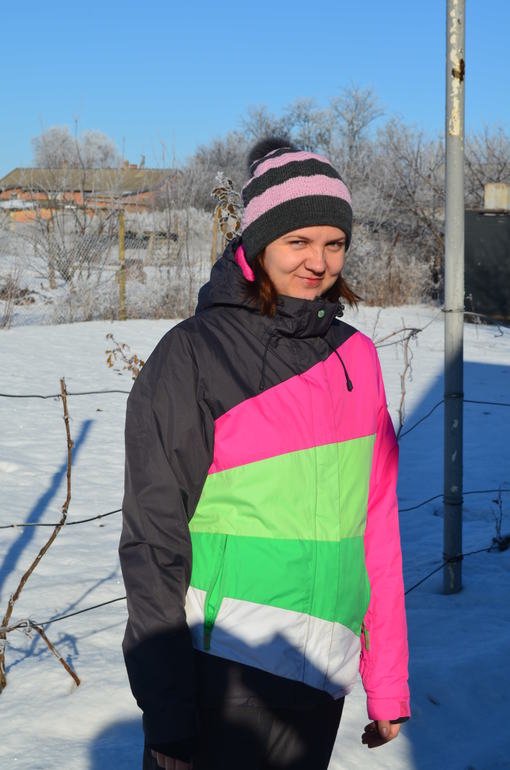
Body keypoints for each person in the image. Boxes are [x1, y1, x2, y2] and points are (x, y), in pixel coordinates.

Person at [119, 137, 410, 770]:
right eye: (298, 240)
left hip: (320, 673)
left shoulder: (356, 357)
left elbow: (377, 528)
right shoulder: (195, 354)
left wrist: (386, 681)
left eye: (334, 243)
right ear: (257, 243)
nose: (318, 262)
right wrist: (167, 704)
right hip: (222, 674)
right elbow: (153, 541)